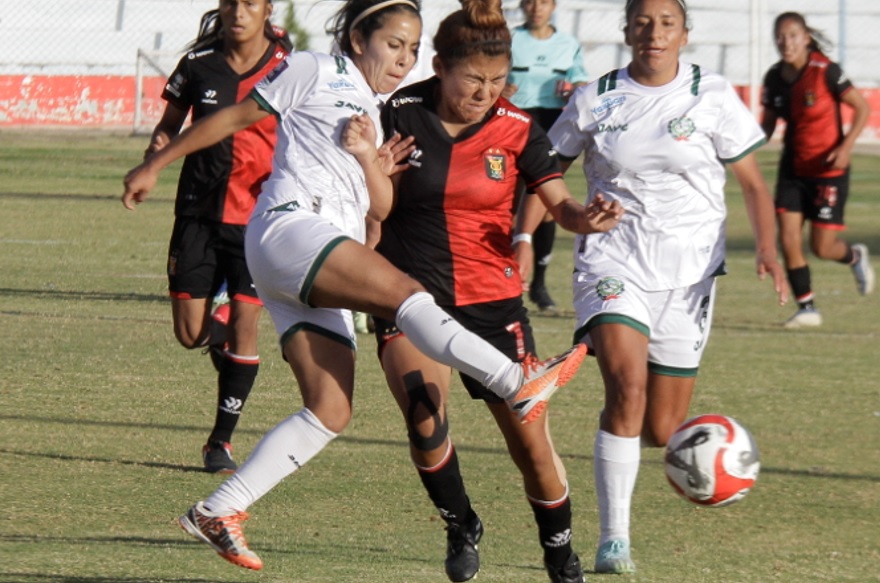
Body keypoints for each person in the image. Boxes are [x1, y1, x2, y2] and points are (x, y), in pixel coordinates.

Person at [122, 0, 589, 572]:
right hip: (293, 228)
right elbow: (237, 117)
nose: (404, 58)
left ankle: (219, 509)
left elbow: (381, 208)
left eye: (413, 48)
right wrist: (156, 162)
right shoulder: (316, 67)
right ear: (359, 37)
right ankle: (515, 381)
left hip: (308, 261)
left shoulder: (377, 110)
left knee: (330, 409)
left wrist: (371, 160)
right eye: (394, 43)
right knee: (409, 295)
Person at [528, 0, 788, 574]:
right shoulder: (595, 97)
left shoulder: (713, 94)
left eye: (666, 22)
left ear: (685, 34)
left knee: (663, 430)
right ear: (626, 31)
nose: (654, 32)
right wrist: (523, 240)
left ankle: (710, 452)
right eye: (642, 22)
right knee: (626, 388)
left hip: (690, 275)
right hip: (613, 261)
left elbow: (751, 181)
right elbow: (544, 172)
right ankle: (614, 540)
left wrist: (767, 248)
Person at [376, 2, 623, 581]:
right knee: (424, 418)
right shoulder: (399, 114)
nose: (487, 92)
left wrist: (585, 218)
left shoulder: (517, 128)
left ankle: (560, 556)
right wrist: (373, 173)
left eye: (497, 80)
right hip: (410, 296)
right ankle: (461, 523)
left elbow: (558, 202)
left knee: (530, 445)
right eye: (473, 80)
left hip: (492, 303)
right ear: (439, 68)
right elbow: (364, 198)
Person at [125, 0, 292, 474]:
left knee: (246, 319)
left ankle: (220, 443)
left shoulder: (287, 68)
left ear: (267, 10)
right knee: (189, 333)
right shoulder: (198, 65)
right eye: (231, 2)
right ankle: (223, 340)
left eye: (250, 3)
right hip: (197, 212)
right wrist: (155, 151)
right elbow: (168, 125)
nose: (238, 12)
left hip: (259, 217)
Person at [760, 11, 874, 329]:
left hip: (828, 171)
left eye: (793, 35)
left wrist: (845, 146)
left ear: (806, 37)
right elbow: (766, 128)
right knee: (788, 239)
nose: (786, 43)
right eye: (780, 37)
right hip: (793, 171)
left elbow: (862, 107)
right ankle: (807, 307)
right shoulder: (773, 78)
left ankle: (854, 257)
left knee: (822, 247)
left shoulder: (825, 71)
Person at [503, 0, 589, 312]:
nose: (536, 8)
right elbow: (493, 74)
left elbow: (581, 80)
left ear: (552, 6)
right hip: (515, 122)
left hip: (552, 124)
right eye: (529, 2)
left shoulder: (568, 44)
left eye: (543, 1)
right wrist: (502, 87)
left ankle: (539, 284)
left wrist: (573, 88)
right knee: (511, 203)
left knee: (548, 202)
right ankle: (508, 278)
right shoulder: (510, 40)